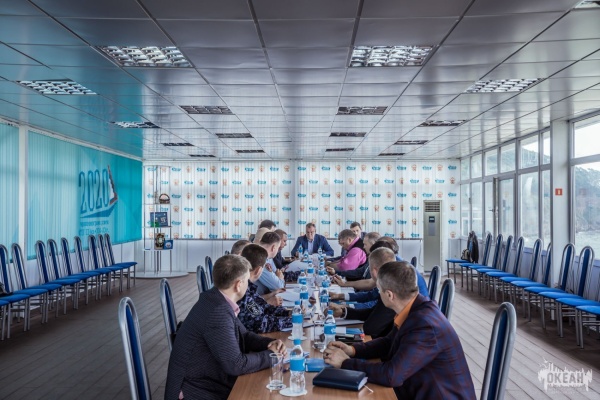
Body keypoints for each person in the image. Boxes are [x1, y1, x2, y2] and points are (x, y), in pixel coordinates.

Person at [323, 261, 476, 400]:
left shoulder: (424, 325)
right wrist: (353, 350)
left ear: (389, 295)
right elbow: (389, 342)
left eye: (379, 290)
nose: (378, 294)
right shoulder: (415, 308)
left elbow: (392, 375)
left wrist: (345, 363)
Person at [165, 255, 287, 400]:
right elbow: (236, 365)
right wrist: (272, 355)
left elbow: (244, 335)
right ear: (238, 285)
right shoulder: (217, 311)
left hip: (206, 380)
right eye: (247, 281)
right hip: (194, 391)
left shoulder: (215, 298)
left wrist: (269, 343)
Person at [328, 248, 397, 338]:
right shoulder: (390, 282)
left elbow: (370, 328)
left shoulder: (390, 289)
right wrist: (343, 312)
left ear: (374, 271)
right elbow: (373, 312)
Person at [237, 244, 292, 333]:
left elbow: (264, 307)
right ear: (259, 270)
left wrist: (289, 313)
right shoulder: (242, 289)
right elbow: (261, 324)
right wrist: (294, 320)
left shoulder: (248, 286)